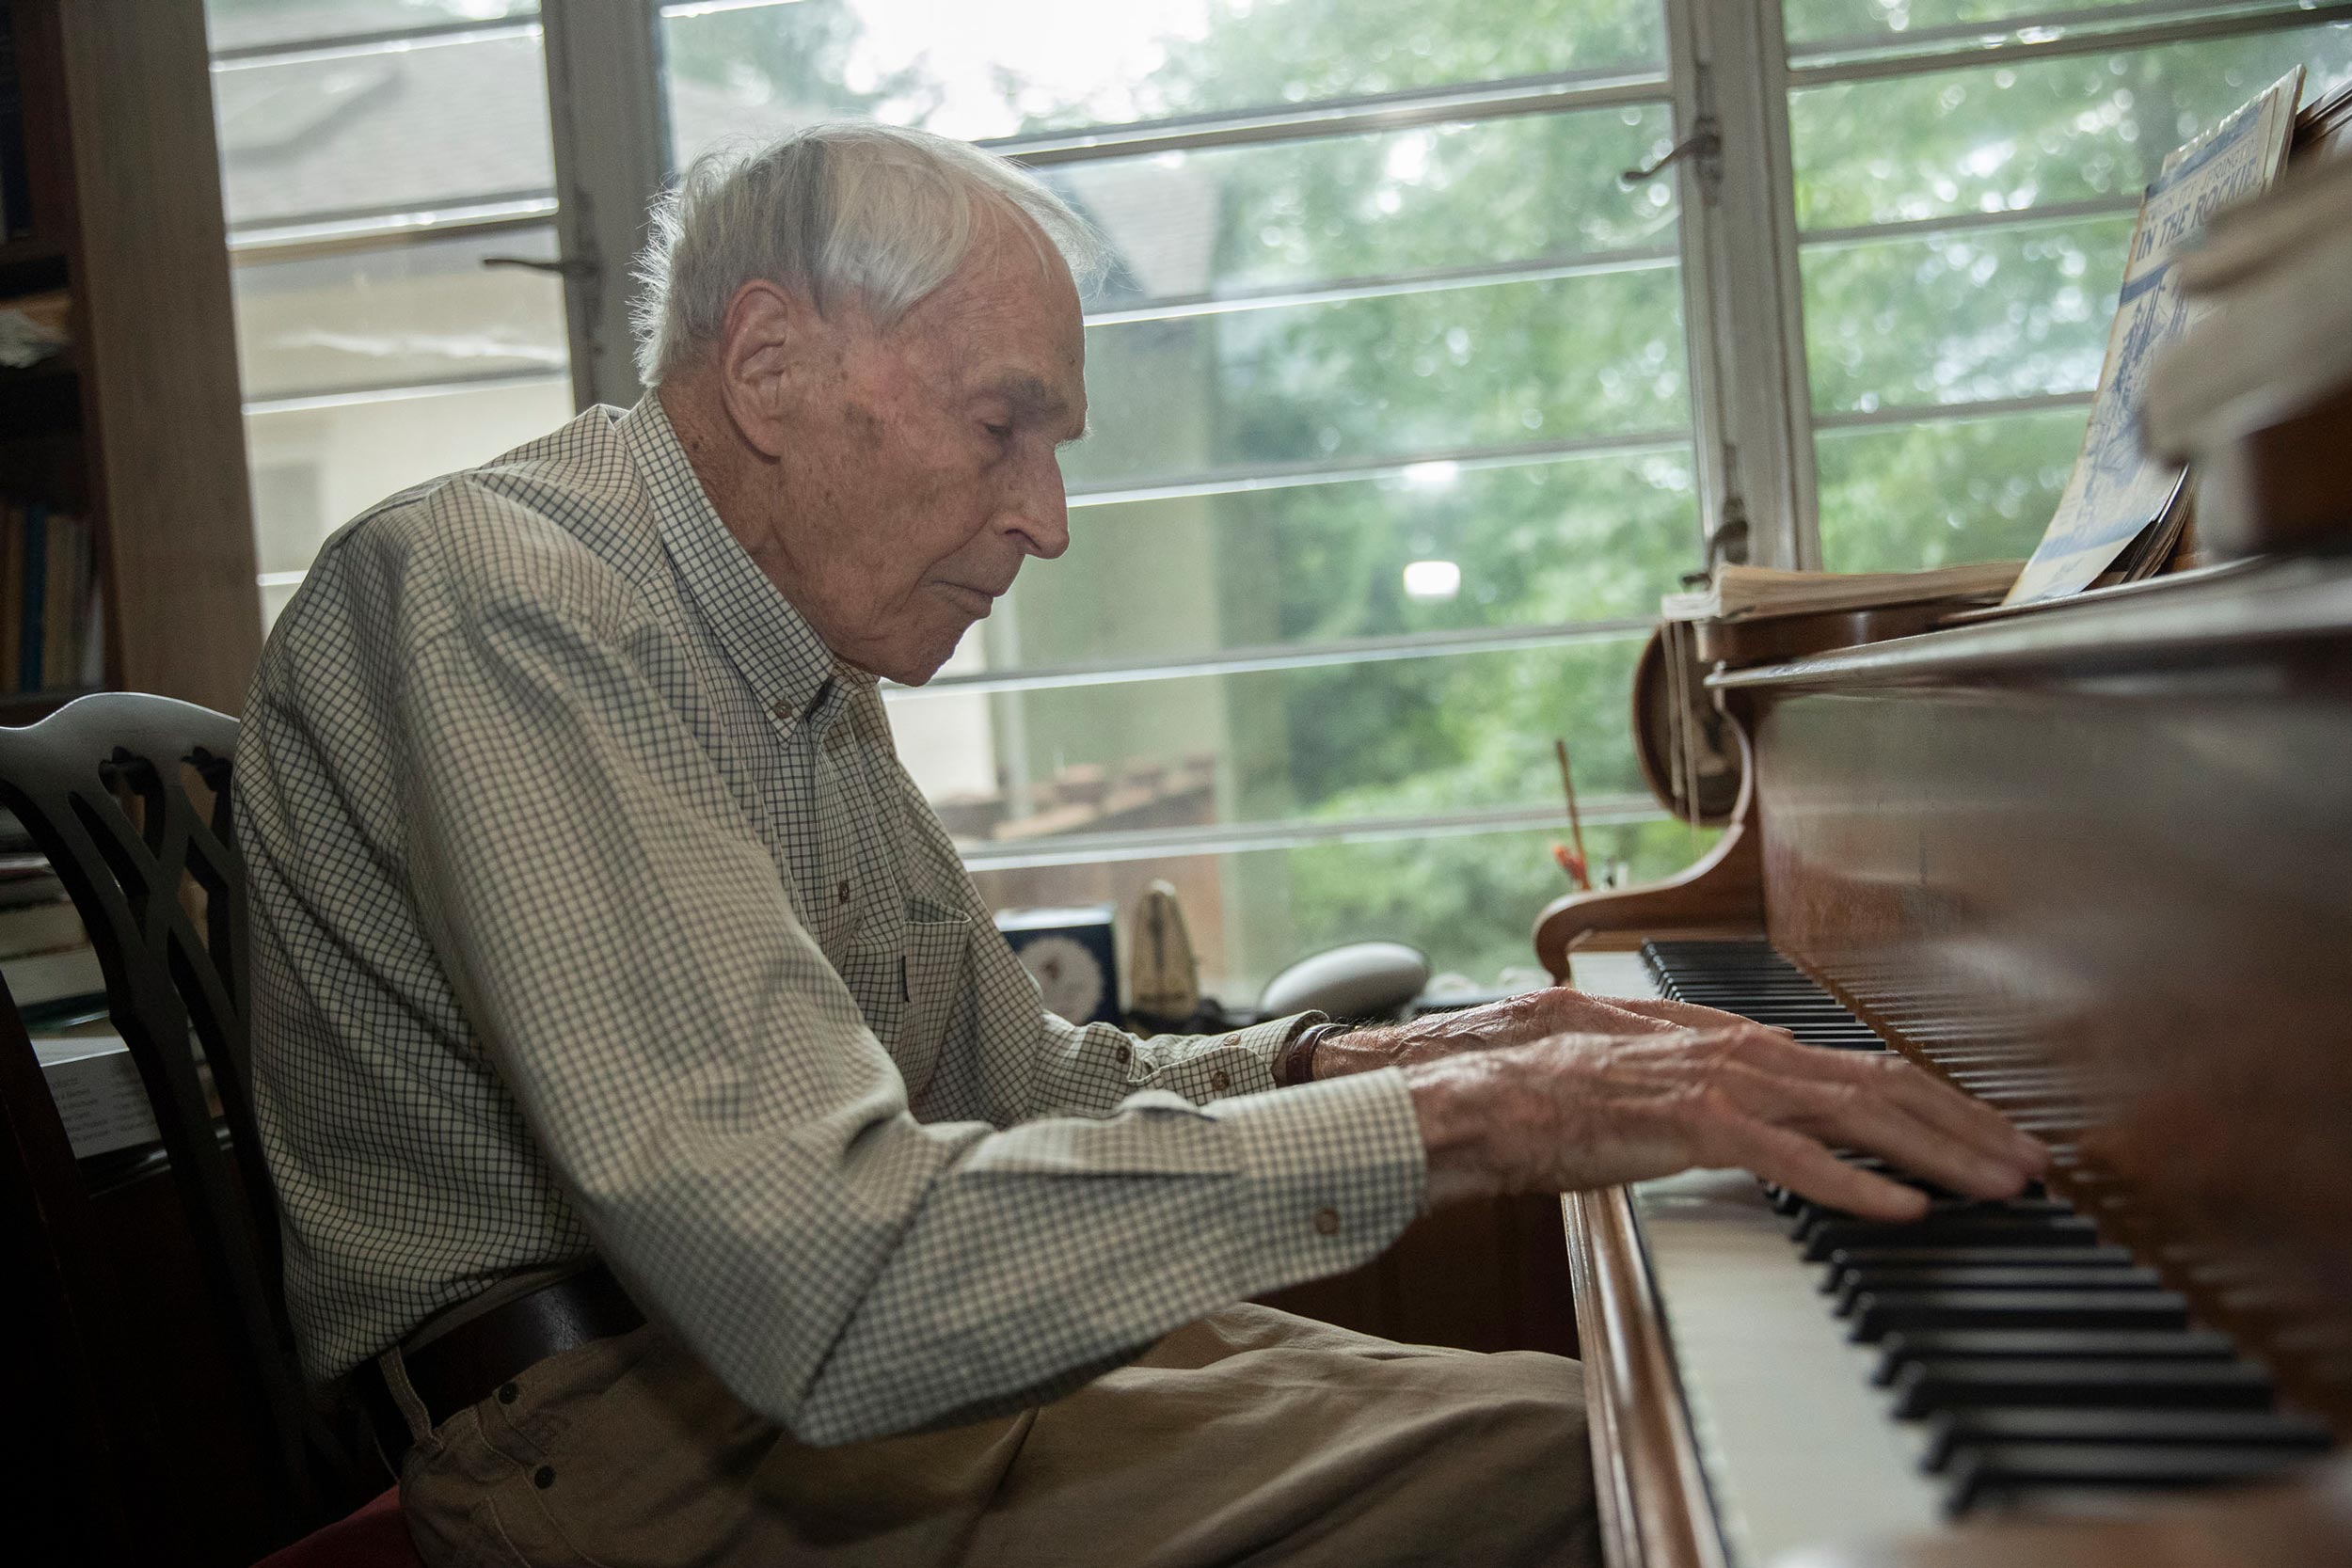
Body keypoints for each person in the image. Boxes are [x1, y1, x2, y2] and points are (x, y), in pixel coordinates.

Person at [236, 122, 2045, 1568]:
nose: (1047, 516)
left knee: (1620, 1439)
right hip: (631, 1448)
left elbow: (1025, 1091)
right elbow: (835, 1284)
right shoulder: (512, 598)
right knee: (1664, 1497)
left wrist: (1419, 1048)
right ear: (771, 358)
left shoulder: (789, 658)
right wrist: (1490, 1123)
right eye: (1003, 423)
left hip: (790, 1383)